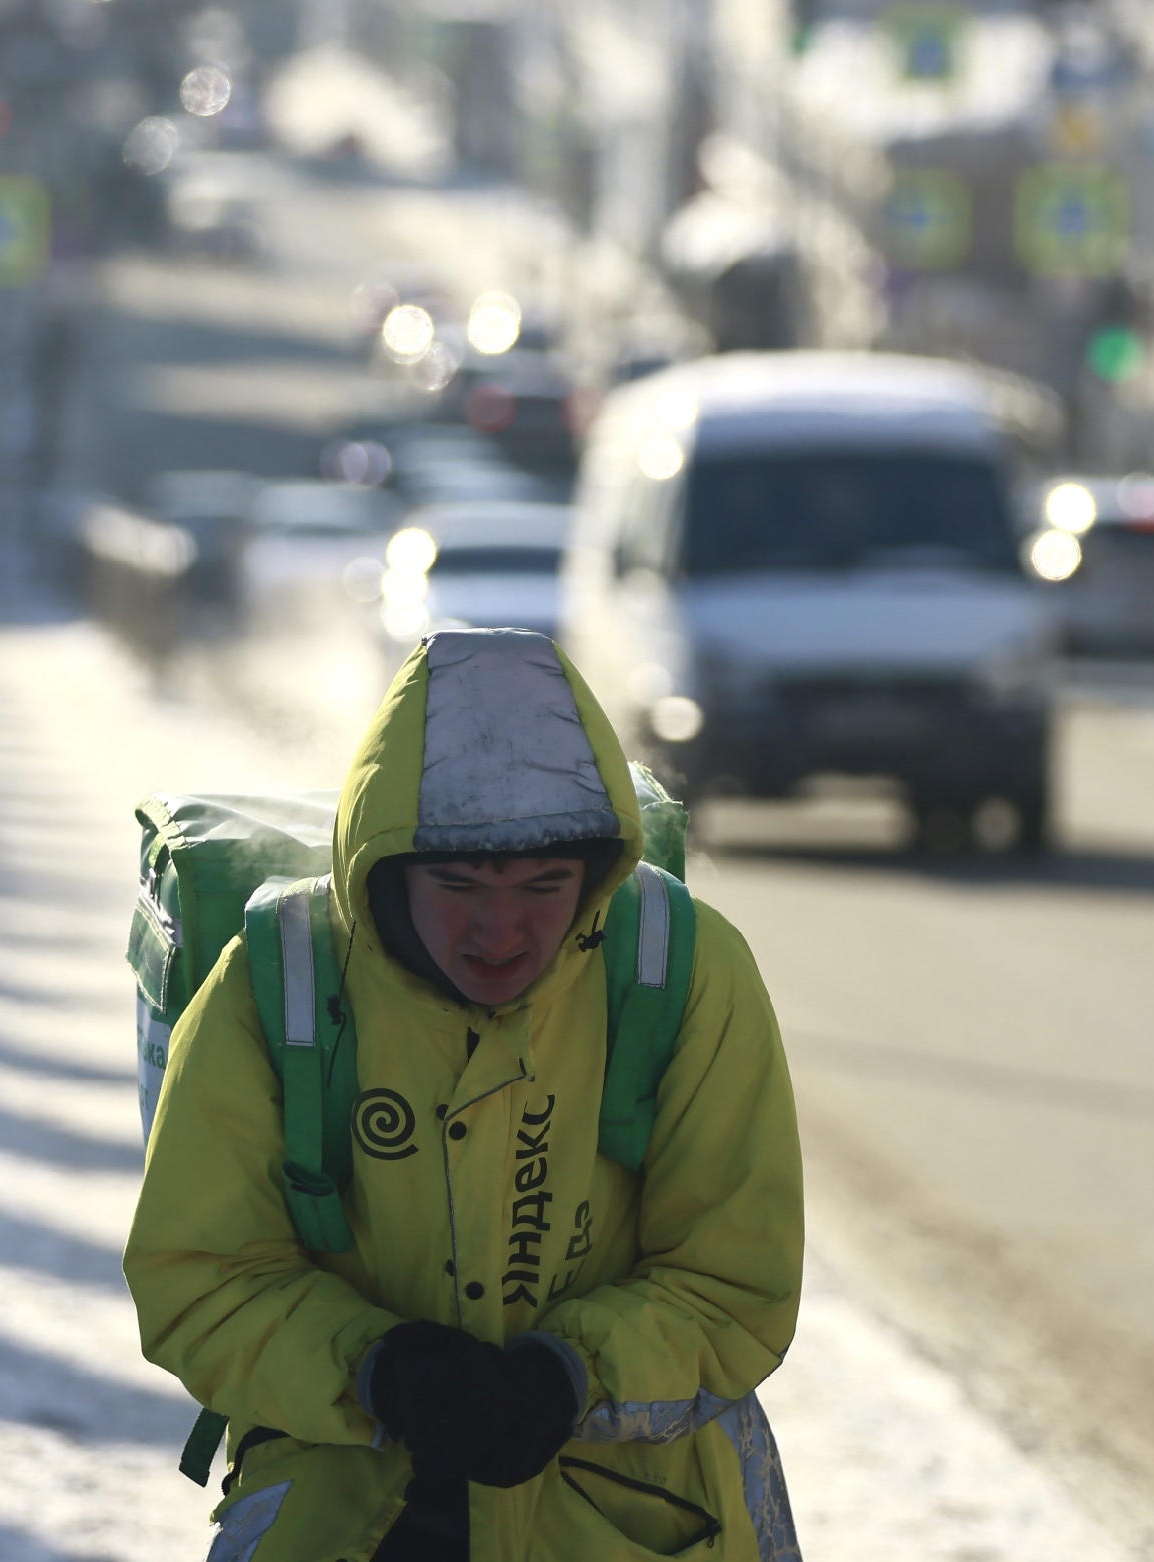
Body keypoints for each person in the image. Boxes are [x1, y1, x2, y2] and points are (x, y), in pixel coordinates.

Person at [126, 629, 804, 1562]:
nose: (500, 931)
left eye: (543, 886)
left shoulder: (684, 970)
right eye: (457, 885)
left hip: (634, 1514)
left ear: (596, 871)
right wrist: (378, 1369)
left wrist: (571, 1374)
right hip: (347, 1509)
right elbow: (199, 1278)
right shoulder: (273, 987)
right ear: (385, 869)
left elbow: (735, 1278)